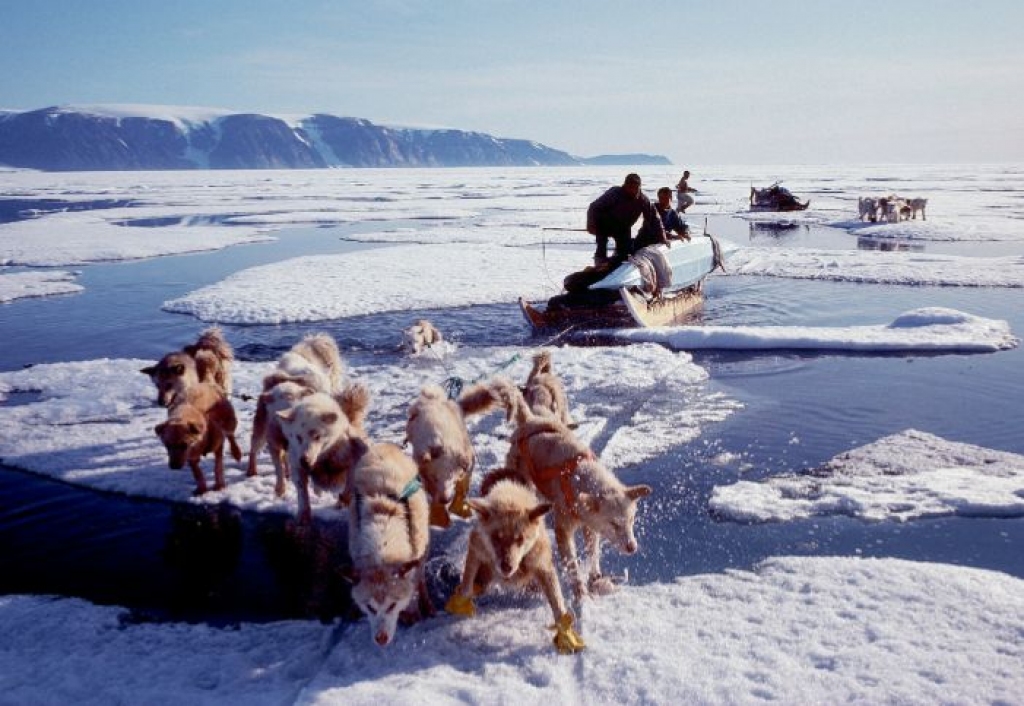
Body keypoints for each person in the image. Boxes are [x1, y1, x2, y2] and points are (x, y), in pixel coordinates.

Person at [586, 173, 665, 267]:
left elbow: (654, 218)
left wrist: (662, 235)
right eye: (630, 187)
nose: (633, 190)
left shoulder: (643, 200)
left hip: (624, 227)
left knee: (624, 252)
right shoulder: (614, 193)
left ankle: (617, 261)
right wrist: (590, 224)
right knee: (601, 243)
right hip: (605, 223)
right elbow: (594, 207)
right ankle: (600, 261)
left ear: (639, 187)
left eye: (635, 187)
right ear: (625, 185)